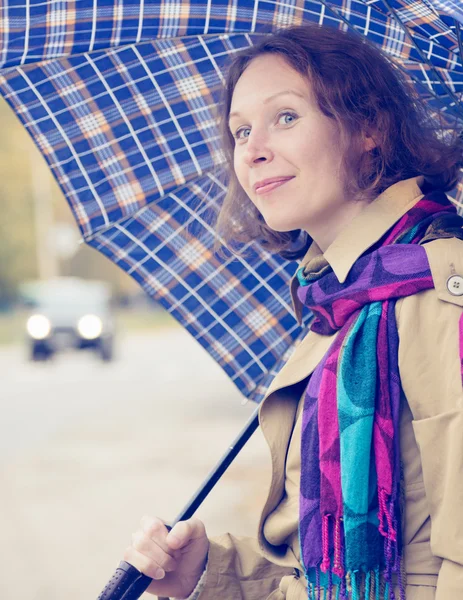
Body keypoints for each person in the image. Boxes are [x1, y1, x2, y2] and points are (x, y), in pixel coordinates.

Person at [122, 24, 463, 600]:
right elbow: (319, 563)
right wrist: (207, 571)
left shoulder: (436, 294)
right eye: (240, 131)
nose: (252, 150)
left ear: (369, 128)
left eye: (285, 117)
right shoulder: (334, 306)